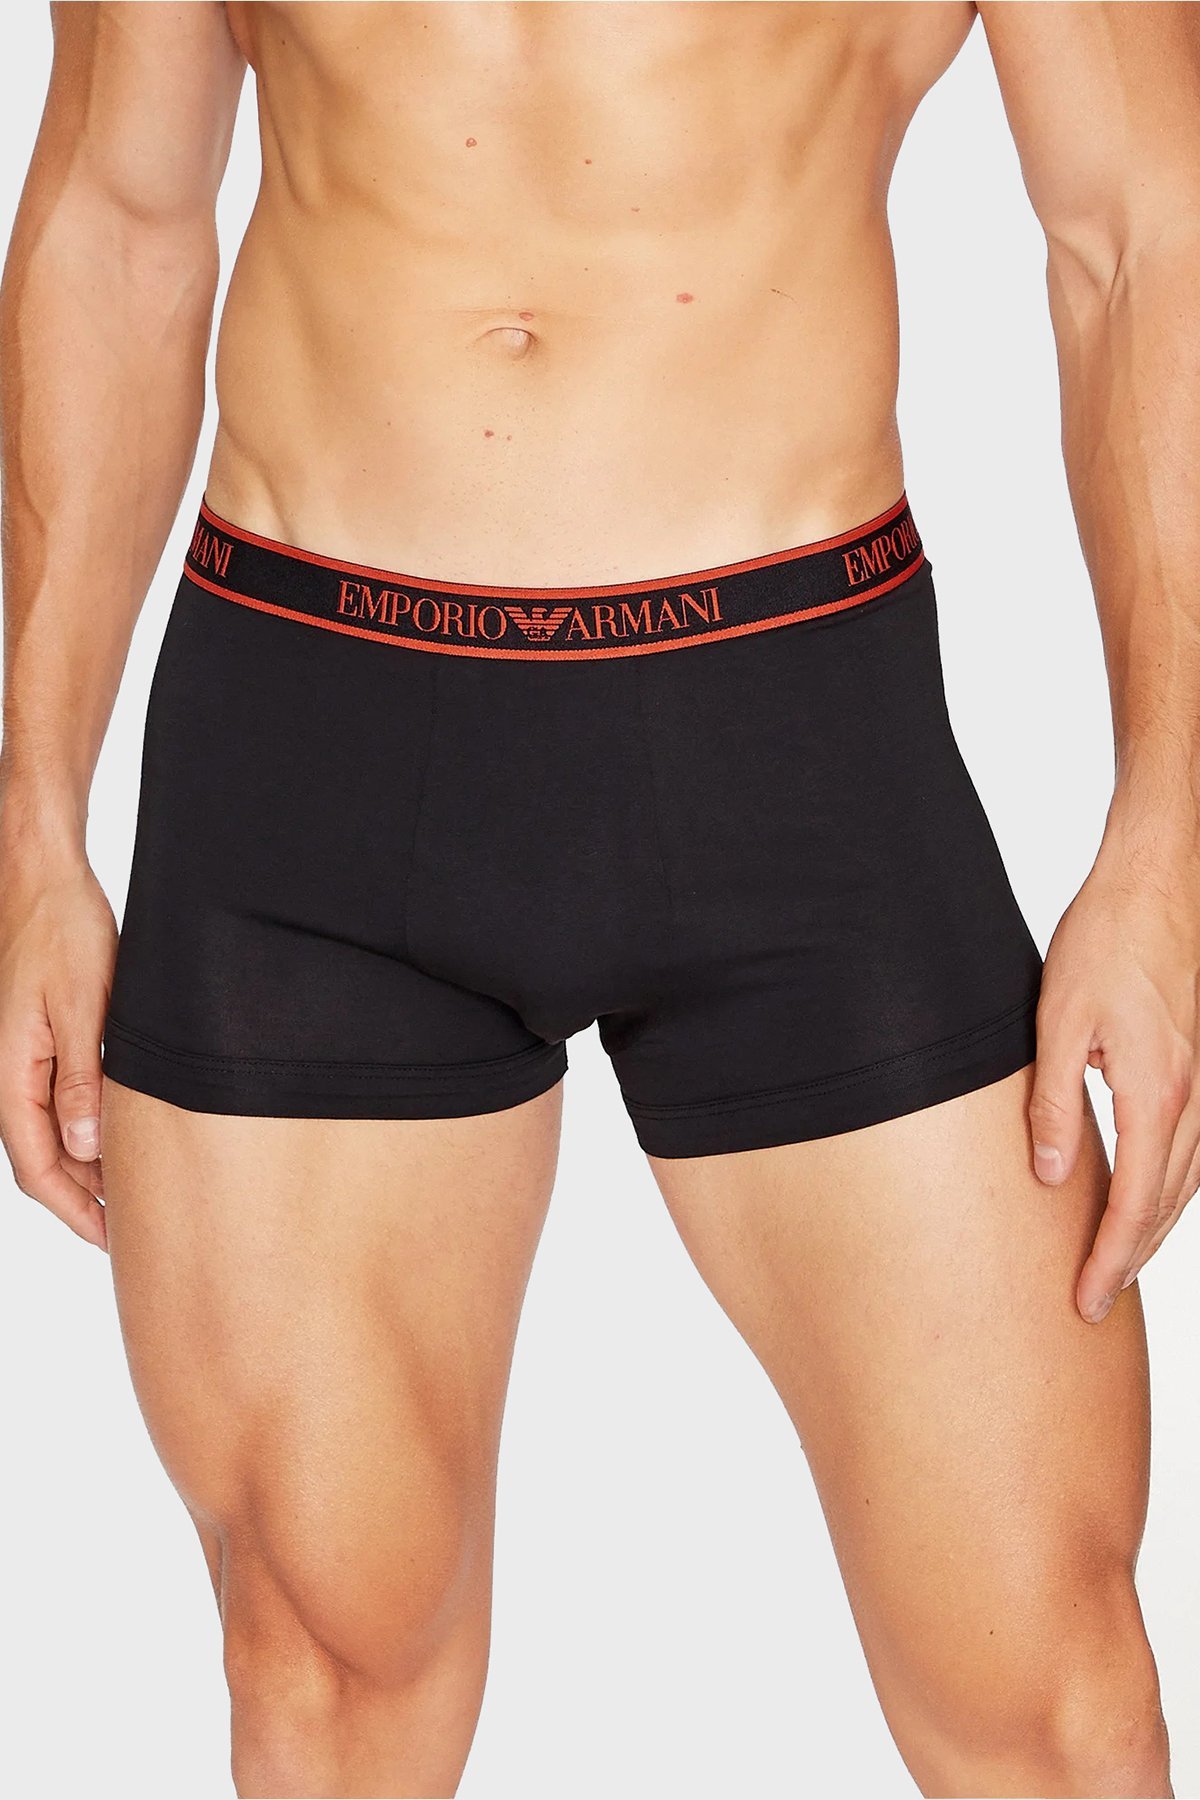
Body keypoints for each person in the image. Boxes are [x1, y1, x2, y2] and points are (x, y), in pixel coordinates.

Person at [2, 2, 1197, 1795]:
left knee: (1047, 1690)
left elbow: (1145, 234)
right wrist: (34, 818)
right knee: (323, 1664)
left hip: (791, 742)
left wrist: (1170, 846)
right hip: (310, 749)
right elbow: (119, 211)